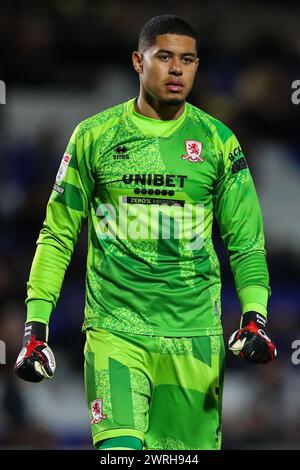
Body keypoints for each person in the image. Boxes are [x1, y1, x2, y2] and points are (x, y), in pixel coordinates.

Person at [14, 14, 277, 451]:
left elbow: (246, 243)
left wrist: (255, 316)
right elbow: (57, 234)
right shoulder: (93, 137)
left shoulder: (217, 142)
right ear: (139, 61)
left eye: (187, 60)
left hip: (195, 340)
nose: (177, 69)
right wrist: (35, 326)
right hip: (116, 332)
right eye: (165, 57)